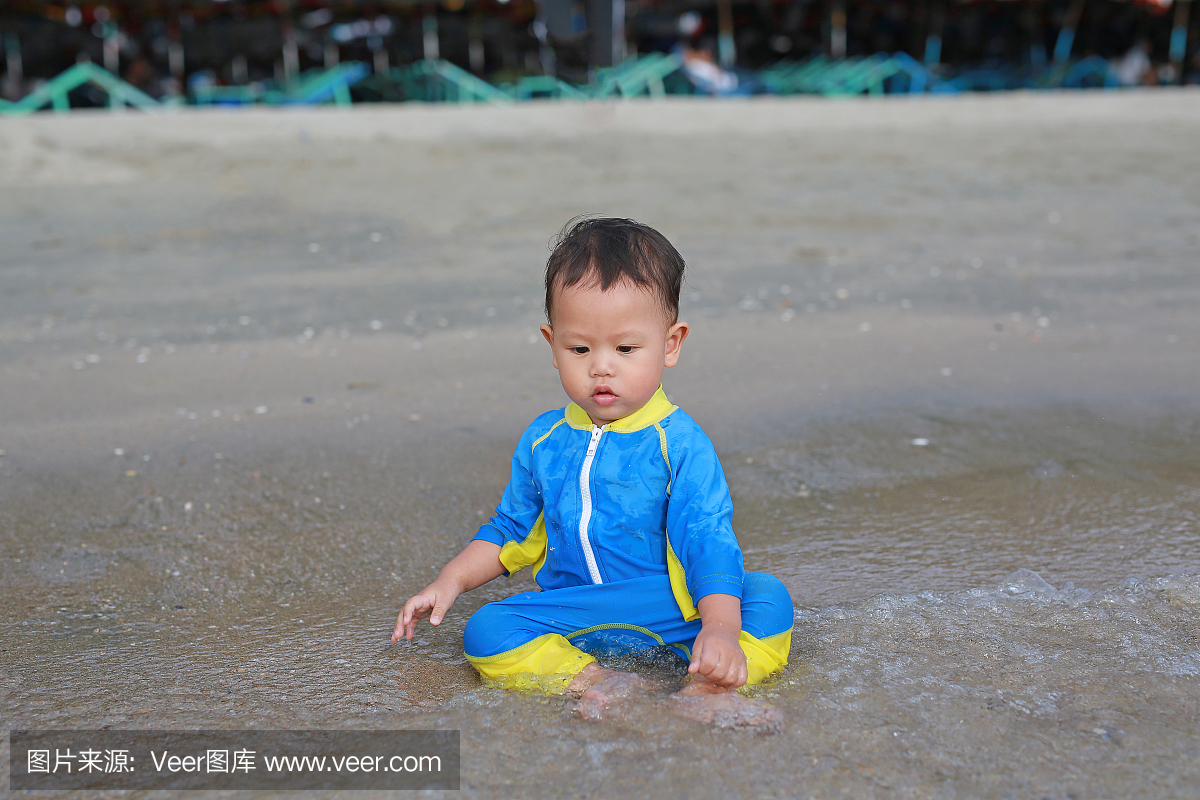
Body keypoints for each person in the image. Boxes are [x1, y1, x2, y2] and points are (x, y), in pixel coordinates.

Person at [391, 217, 794, 729]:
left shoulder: (681, 443)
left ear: (671, 343)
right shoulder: (544, 441)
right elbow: (511, 530)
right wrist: (448, 581)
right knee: (487, 629)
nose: (602, 367)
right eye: (580, 349)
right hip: (575, 610)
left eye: (626, 349)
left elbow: (707, 537)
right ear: (552, 343)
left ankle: (707, 687)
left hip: (672, 606)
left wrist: (717, 626)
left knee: (765, 599)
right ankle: (597, 680)